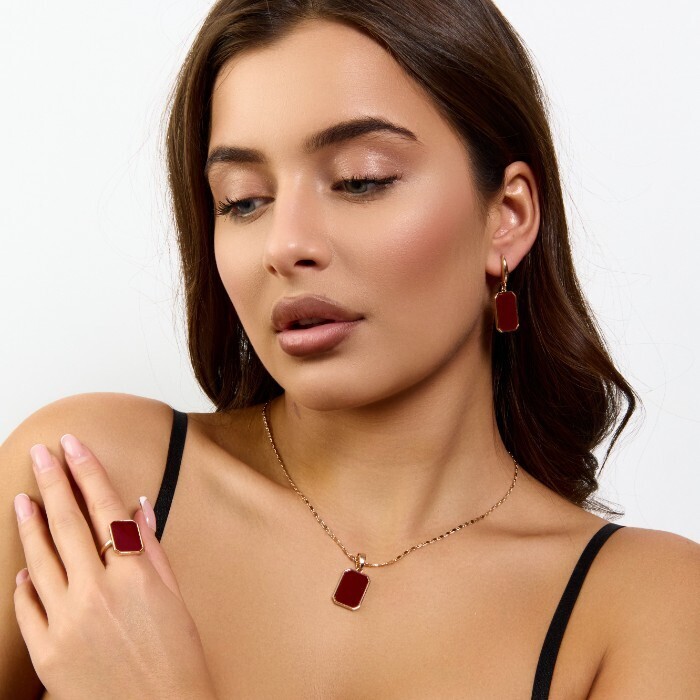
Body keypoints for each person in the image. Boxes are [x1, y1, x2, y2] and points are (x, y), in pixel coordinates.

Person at [2, 1, 699, 697]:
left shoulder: (646, 606)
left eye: (361, 180)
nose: (285, 245)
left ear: (507, 217)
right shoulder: (87, 482)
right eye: (244, 200)